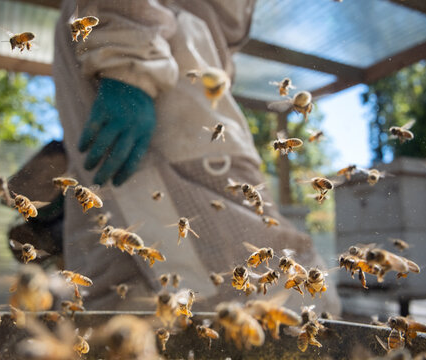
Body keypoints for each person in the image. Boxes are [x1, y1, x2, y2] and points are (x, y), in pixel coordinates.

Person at [32, 0, 340, 313]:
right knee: (286, 298)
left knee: (123, 294)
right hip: (149, 46)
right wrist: (128, 60)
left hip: (142, 41)